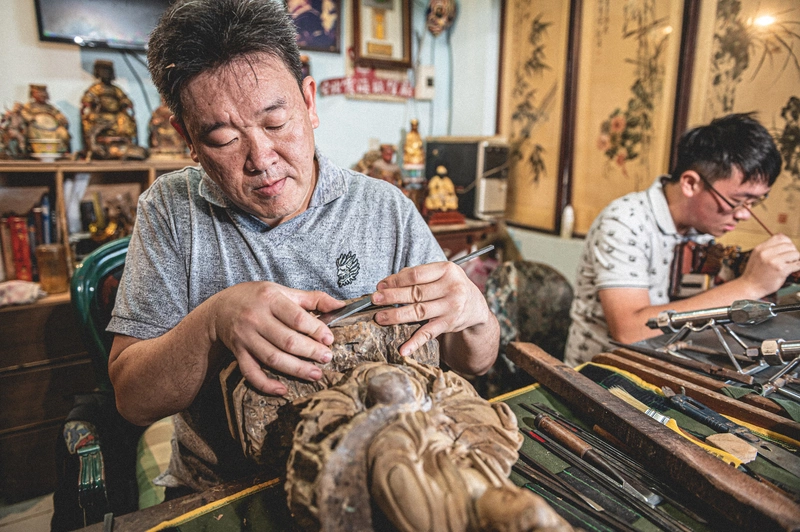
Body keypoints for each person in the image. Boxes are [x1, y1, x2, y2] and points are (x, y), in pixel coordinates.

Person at [106, 0, 499, 494]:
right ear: (186, 137)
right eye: (224, 137)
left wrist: (475, 313)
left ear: (309, 103)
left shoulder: (383, 208)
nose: (261, 159)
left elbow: (474, 362)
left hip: (381, 469)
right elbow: (132, 399)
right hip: (231, 486)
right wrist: (213, 322)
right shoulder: (171, 210)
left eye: (275, 122)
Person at [564, 113, 800, 367]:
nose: (744, 214)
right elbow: (629, 330)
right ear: (690, 184)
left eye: (755, 202)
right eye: (738, 201)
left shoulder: (702, 226)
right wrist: (751, 285)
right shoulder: (624, 222)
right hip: (601, 372)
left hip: (669, 362)